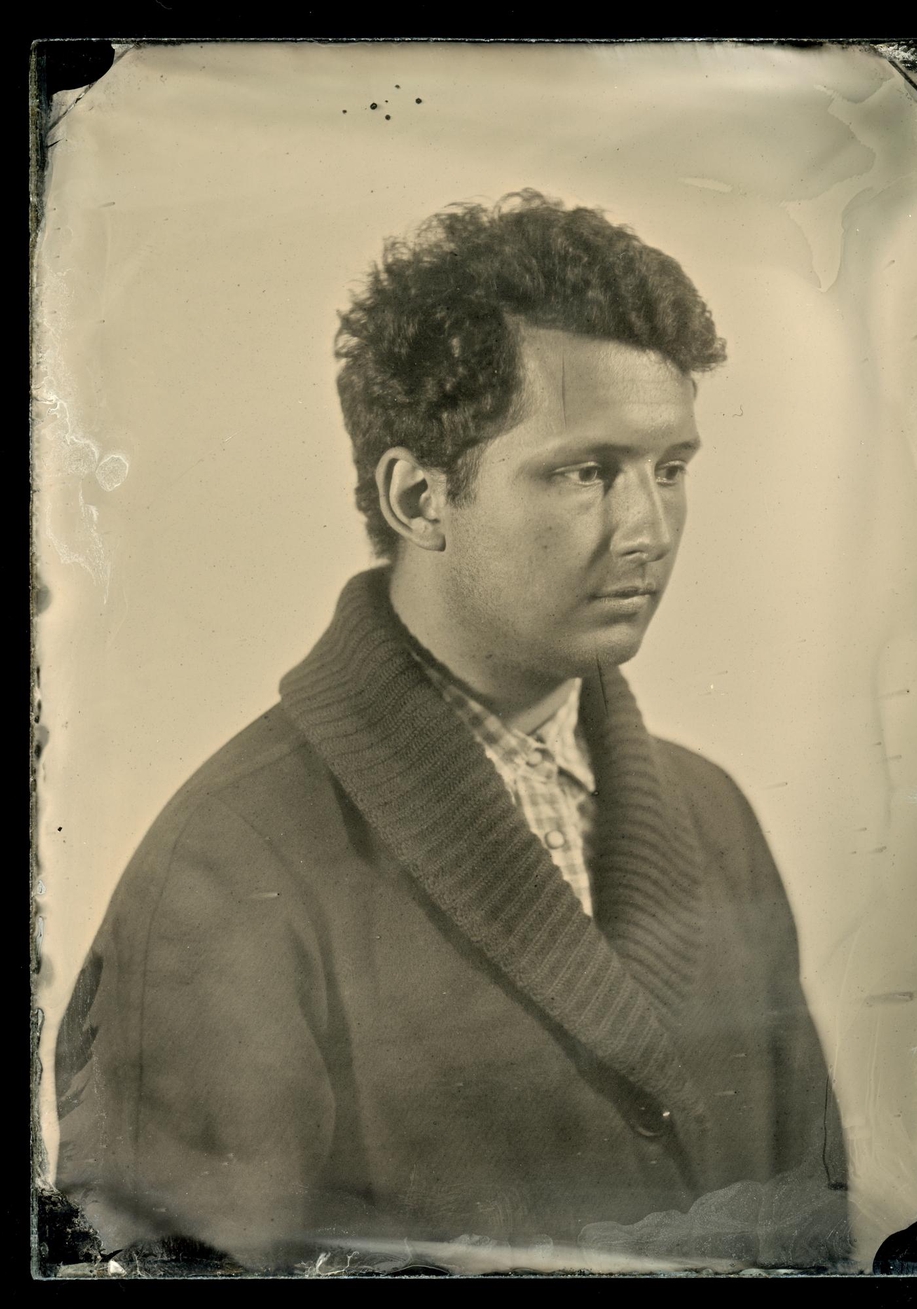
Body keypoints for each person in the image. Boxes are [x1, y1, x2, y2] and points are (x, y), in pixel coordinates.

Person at [53, 190, 849, 1272]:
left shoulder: (715, 817)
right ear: (418, 498)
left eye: (670, 469)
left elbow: (821, 1237)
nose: (649, 528)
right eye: (585, 471)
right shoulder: (224, 863)